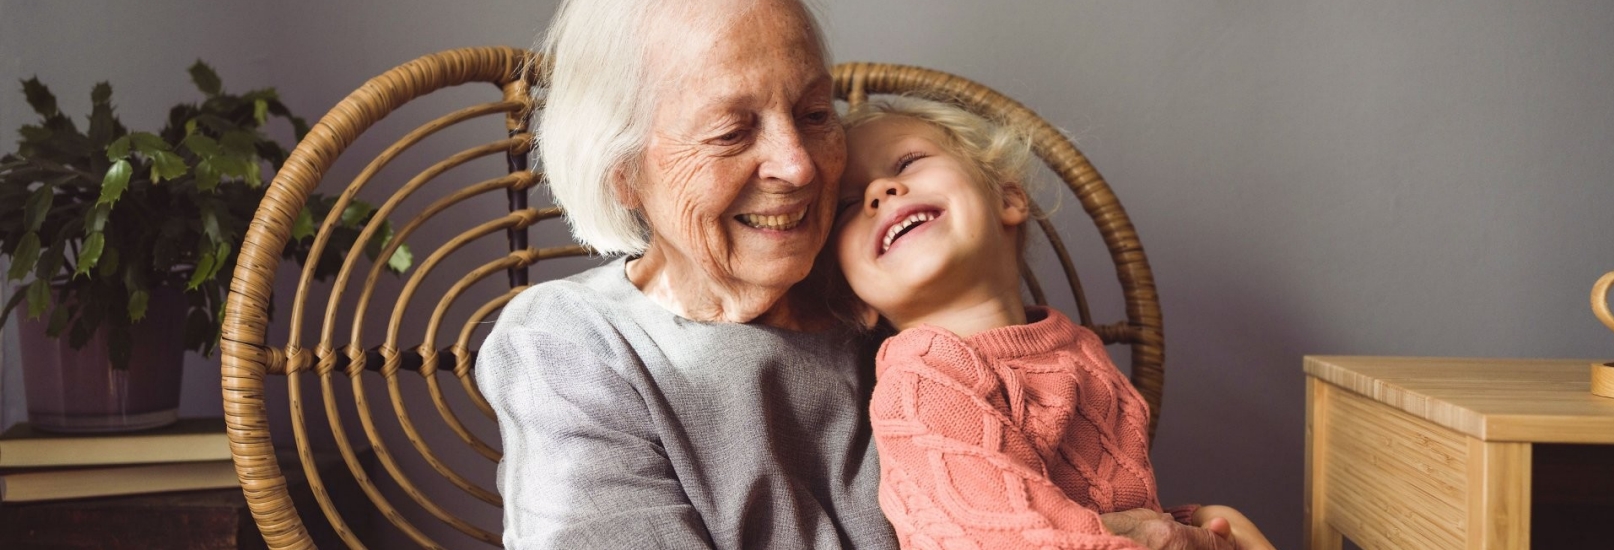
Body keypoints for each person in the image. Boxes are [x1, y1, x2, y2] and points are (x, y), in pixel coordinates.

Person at [480, 0, 1245, 548]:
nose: (799, 165)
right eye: (731, 129)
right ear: (623, 175)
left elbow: (1029, 502)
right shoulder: (571, 345)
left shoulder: (899, 303)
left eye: (815, 115)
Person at [829, 97, 1275, 550]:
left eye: (908, 162)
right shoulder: (922, 384)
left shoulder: (1078, 348)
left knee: (1230, 524)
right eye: (847, 205)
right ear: (855, 298)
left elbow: (1109, 514)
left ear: (1008, 197)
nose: (880, 190)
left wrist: (1189, 526)